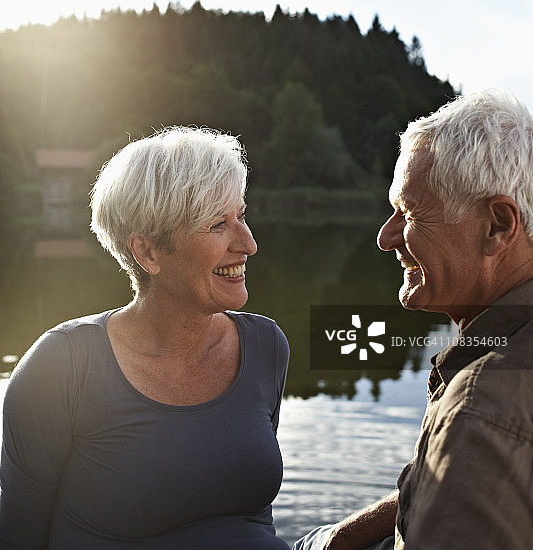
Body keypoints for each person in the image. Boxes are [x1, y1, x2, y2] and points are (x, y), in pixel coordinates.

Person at [0, 126, 290, 549]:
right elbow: (18, 537)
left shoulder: (266, 345)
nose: (248, 243)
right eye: (218, 224)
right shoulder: (62, 367)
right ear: (148, 252)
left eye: (241, 217)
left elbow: (254, 515)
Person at [294, 89, 533, 550]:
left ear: (497, 225)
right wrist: (340, 540)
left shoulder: (479, 409)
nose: (385, 238)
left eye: (409, 213)